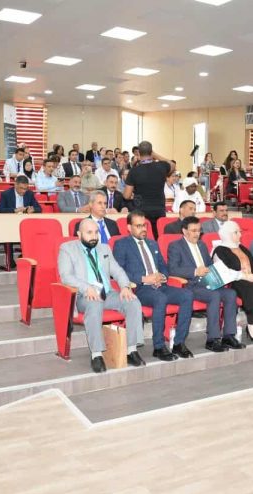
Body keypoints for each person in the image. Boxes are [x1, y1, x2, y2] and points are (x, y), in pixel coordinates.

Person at [58, 219, 146, 373]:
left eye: (96, 232)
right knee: (95, 304)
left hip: (107, 293)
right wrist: (87, 288)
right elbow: (66, 276)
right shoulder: (67, 249)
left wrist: (125, 287)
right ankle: (97, 355)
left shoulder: (104, 248)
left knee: (133, 301)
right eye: (89, 232)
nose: (94, 236)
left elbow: (117, 271)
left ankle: (131, 350)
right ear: (79, 234)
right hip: (84, 296)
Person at [114, 211, 194, 361]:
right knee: (160, 298)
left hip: (160, 285)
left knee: (187, 295)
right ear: (129, 228)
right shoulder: (122, 244)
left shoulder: (152, 243)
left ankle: (179, 343)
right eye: (138, 226)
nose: (143, 229)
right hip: (139, 288)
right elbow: (118, 271)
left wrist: (161, 277)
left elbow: (163, 266)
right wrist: (144, 278)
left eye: (144, 225)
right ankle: (158, 346)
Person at [168, 216, 242, 352]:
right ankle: (212, 339)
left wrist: (220, 273)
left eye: (199, 231)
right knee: (214, 296)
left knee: (231, 294)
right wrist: (195, 271)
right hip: (191, 285)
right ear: (184, 231)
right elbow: (173, 269)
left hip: (208, 282)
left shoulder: (202, 245)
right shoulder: (175, 246)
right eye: (194, 231)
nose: (197, 234)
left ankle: (228, 335)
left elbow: (209, 265)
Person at [212, 221, 253, 341]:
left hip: (250, 278)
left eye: (239, 232)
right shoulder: (219, 251)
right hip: (234, 282)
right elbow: (224, 272)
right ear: (228, 234)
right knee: (251, 289)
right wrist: (245, 277)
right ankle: (252, 324)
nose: (240, 235)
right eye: (236, 232)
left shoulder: (241, 247)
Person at [123, 141, 173, 239]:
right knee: (159, 238)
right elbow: (172, 164)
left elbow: (126, 195)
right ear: (151, 152)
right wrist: (155, 154)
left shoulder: (134, 171)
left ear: (138, 153)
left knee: (143, 238)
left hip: (142, 211)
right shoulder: (161, 166)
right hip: (159, 209)